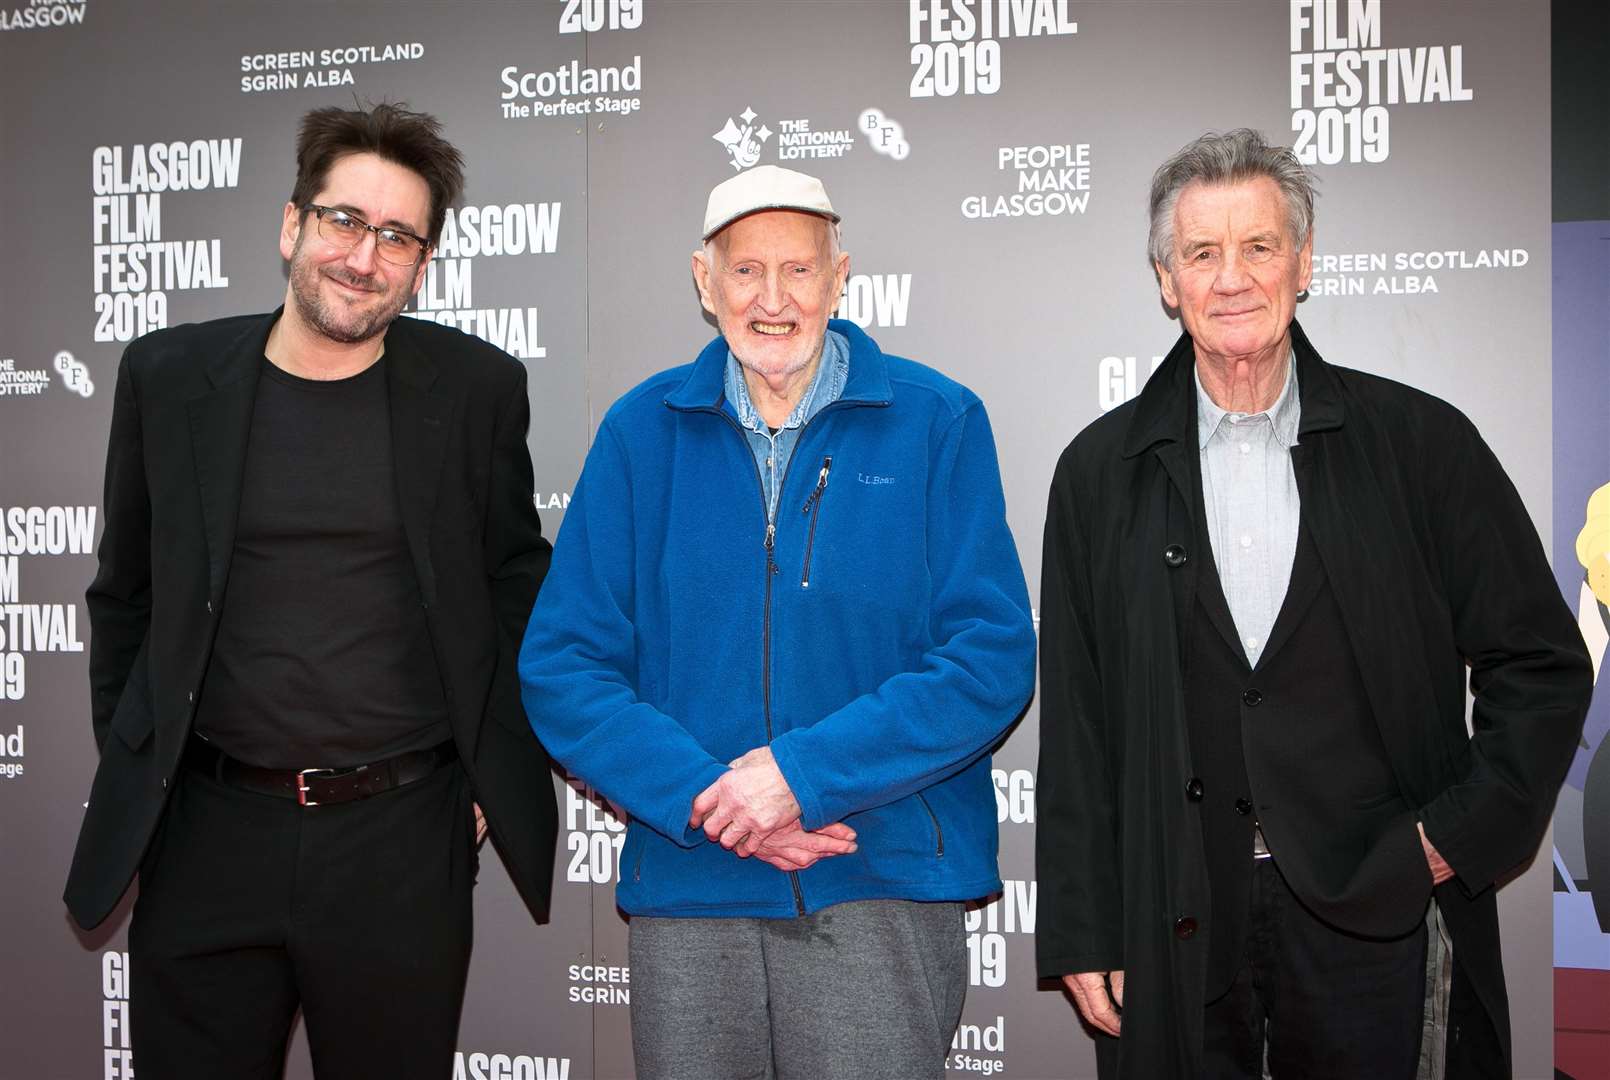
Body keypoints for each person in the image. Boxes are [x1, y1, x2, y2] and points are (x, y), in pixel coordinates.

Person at [1035, 129, 1592, 1079]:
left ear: (1304, 263)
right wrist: (1085, 924)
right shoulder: (1098, 473)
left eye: (1258, 246)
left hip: (1378, 913)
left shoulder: (1421, 444)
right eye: (1202, 253)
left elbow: (1539, 663)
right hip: (1173, 914)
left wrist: (1450, 842)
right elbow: (1079, 725)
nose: (1232, 277)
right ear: (1167, 280)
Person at [63, 102, 557, 1080]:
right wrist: (143, 759)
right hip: (205, 834)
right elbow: (126, 595)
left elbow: (514, 582)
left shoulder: (475, 391)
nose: (362, 257)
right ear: (292, 224)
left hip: (398, 841)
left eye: (395, 236)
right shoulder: (169, 377)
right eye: (341, 221)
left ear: (422, 262)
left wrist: (484, 771)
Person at [519, 164, 1036, 1080]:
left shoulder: (938, 420)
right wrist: (717, 801)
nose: (773, 299)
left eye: (799, 270)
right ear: (703, 280)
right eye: (746, 271)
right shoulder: (639, 434)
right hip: (692, 886)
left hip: (877, 874)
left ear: (841, 276)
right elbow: (564, 666)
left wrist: (804, 775)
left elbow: (990, 657)